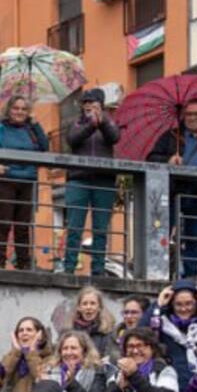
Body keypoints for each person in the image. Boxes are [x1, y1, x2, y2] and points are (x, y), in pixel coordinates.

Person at [147, 99, 197, 281]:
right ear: (183, 116)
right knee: (163, 234)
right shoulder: (171, 137)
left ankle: (189, 277)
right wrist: (168, 160)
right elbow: (150, 158)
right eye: (189, 114)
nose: (193, 118)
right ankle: (159, 273)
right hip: (171, 193)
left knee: (193, 238)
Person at [0, 94, 48, 271]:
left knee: (23, 225)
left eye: (23, 109)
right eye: (16, 108)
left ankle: (24, 264)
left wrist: (35, 123)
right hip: (4, 180)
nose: (19, 112)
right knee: (3, 223)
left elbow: (44, 147)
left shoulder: (31, 129)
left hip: (27, 180)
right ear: (8, 109)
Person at [61, 89, 121, 276]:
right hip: (78, 179)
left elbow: (115, 137)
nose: (88, 106)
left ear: (101, 106)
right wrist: (90, 125)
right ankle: (69, 268)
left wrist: (101, 123)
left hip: (104, 180)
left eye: (93, 103)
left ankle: (98, 269)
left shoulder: (109, 122)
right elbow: (72, 139)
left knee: (101, 228)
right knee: (74, 226)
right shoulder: (76, 122)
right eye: (86, 103)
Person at [1, 316, 54, 392]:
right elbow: (1, 376)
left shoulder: (50, 358)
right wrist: (16, 352)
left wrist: (31, 353)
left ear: (40, 335)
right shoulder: (12, 357)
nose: (24, 333)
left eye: (29, 330)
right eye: (21, 330)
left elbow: (43, 380)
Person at [53, 286, 117, 358]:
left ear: (99, 307)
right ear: (79, 307)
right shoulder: (67, 331)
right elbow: (58, 355)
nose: (88, 307)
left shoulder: (108, 332)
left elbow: (110, 358)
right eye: (85, 304)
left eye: (92, 303)